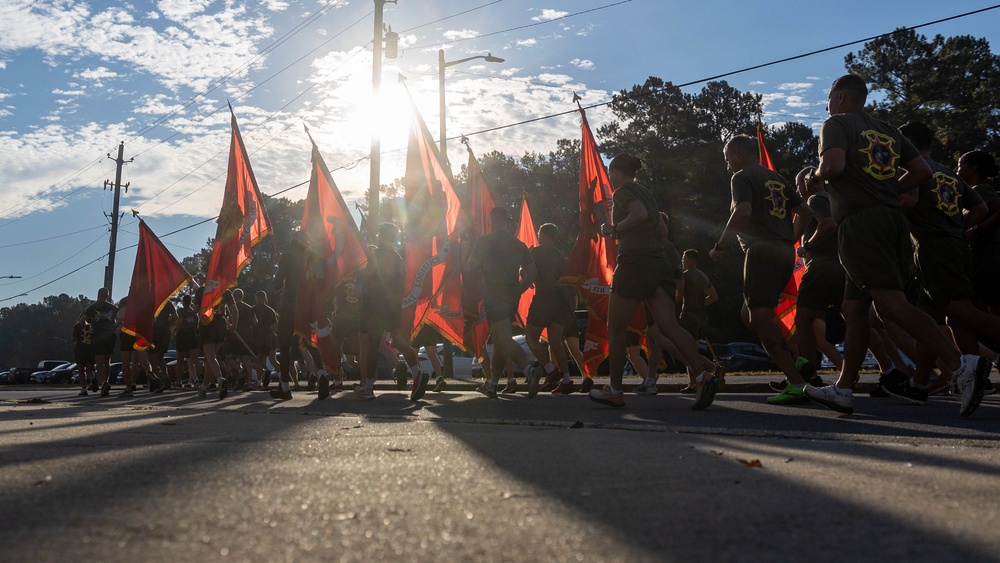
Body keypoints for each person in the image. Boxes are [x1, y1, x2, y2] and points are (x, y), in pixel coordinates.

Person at [802, 74, 991, 416]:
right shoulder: (890, 130)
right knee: (855, 309)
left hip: (860, 223)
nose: (826, 106)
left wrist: (814, 179)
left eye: (828, 99)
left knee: (891, 305)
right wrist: (888, 191)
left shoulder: (836, 123)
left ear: (842, 97)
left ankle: (960, 366)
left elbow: (833, 166)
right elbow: (922, 172)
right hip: (891, 222)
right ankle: (844, 388)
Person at [881, 121, 998, 407]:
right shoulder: (947, 171)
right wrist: (958, 229)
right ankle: (920, 384)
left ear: (905, 142)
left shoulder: (910, 170)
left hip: (933, 245)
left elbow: (907, 202)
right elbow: (980, 208)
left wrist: (881, 204)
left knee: (961, 311)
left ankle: (967, 374)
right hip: (955, 244)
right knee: (929, 319)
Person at [594, 154, 717, 409]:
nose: (610, 176)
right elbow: (662, 231)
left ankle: (615, 391)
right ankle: (701, 374)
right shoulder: (647, 193)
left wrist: (615, 229)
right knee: (670, 325)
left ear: (616, 172)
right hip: (659, 263)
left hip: (633, 264)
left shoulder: (623, 192)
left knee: (616, 328)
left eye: (610, 171)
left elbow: (637, 215)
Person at [709, 134, 813, 405]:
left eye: (727, 159)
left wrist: (720, 245)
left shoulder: (742, 177)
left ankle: (796, 383)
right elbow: (805, 213)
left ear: (736, 154)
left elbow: (743, 211)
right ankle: (797, 360)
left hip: (761, 252)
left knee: (759, 319)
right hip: (784, 253)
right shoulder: (777, 179)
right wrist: (790, 238)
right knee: (749, 312)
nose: (728, 165)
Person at [467, 207, 539, 398]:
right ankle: (492, 384)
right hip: (512, 296)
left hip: (494, 294)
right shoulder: (518, 244)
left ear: (492, 221)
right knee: (499, 343)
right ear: (507, 221)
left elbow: (470, 268)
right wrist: (519, 289)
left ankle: (528, 371)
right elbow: (533, 273)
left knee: (504, 340)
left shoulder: (484, 242)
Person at [789, 166, 844, 393]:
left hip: (821, 267)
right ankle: (892, 368)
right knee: (857, 319)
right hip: (841, 266)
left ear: (808, 182)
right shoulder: (833, 198)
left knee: (802, 320)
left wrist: (807, 246)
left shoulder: (816, 200)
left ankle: (808, 375)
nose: (797, 189)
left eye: (798, 184)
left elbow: (828, 224)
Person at [356, 223, 426, 401]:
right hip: (393, 307)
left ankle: (368, 387)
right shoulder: (398, 259)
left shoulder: (375, 256)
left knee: (373, 345)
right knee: (399, 341)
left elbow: (368, 284)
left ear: (380, 236)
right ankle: (417, 372)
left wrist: (364, 305)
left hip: (375, 307)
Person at [524, 223, 575, 394]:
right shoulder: (561, 256)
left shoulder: (535, 252)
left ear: (543, 235)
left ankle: (550, 369)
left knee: (530, 337)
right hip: (561, 301)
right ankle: (567, 379)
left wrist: (523, 281)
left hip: (544, 297)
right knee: (555, 342)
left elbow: (527, 272)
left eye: (539, 234)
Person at [957, 150, 1000, 316]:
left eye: (959, 166)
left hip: (985, 256)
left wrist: (976, 229)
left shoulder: (980, 190)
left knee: (971, 309)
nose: (956, 171)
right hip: (984, 255)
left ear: (972, 168)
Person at [197, 286, 236, 399]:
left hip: (207, 323)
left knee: (210, 357)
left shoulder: (201, 291)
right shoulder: (225, 290)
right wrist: (234, 325)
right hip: (221, 324)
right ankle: (204, 387)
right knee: (210, 360)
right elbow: (234, 310)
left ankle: (220, 380)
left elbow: (195, 310)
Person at [83, 288, 118, 397]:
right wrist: (114, 327)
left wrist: (88, 326)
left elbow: (81, 321)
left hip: (98, 335)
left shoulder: (92, 307)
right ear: (107, 296)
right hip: (110, 336)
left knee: (99, 361)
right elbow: (120, 320)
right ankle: (106, 382)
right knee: (107, 361)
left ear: (98, 295)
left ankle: (103, 383)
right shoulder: (113, 307)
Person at [148, 297, 177, 393]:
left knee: (152, 358)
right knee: (160, 357)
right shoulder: (168, 302)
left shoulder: (152, 302)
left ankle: (158, 383)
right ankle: (166, 376)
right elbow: (175, 317)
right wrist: (167, 323)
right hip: (165, 332)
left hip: (155, 331)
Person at [252, 290, 278, 389]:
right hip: (268, 338)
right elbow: (275, 327)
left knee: (255, 361)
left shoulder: (253, 309)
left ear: (257, 298)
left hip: (257, 337)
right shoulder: (271, 311)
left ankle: (262, 376)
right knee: (263, 360)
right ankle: (260, 383)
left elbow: (253, 323)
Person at [174, 294, 201, 389]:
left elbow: (179, 321)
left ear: (183, 302)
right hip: (192, 336)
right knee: (195, 360)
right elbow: (196, 325)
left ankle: (179, 381)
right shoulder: (194, 314)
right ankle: (200, 379)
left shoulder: (180, 311)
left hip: (182, 335)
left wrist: (176, 330)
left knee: (180, 360)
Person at [72, 315, 95, 396]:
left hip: (83, 350)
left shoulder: (79, 326)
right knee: (86, 370)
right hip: (87, 350)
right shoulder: (90, 327)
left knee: (84, 370)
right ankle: (89, 383)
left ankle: (86, 387)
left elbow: (74, 339)